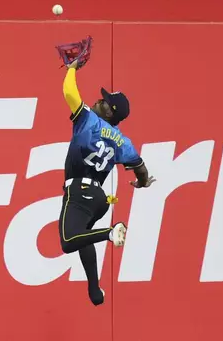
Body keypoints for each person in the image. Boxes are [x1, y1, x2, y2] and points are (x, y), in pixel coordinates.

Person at [58, 58, 156, 306]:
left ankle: (111, 233)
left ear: (110, 111)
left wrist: (71, 69)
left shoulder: (89, 120)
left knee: (68, 241)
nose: (99, 100)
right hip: (99, 199)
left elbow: (69, 91)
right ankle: (94, 290)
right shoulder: (124, 141)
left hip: (79, 191)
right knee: (83, 235)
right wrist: (142, 183)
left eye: (104, 101)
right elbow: (141, 170)